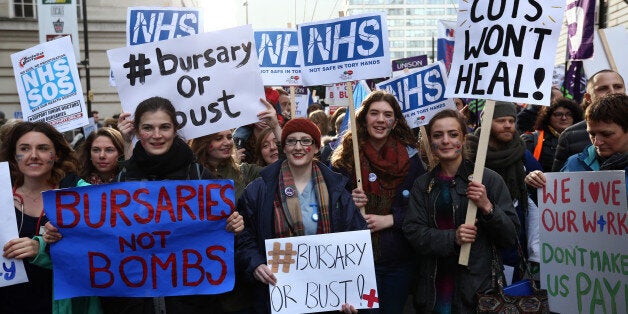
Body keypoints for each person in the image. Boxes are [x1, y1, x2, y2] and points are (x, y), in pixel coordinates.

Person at [97, 96, 244, 314]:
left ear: (175, 130)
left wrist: (234, 225)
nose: (157, 135)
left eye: (164, 127)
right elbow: (104, 235)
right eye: (148, 128)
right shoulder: (124, 179)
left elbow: (221, 232)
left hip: (191, 300)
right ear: (137, 132)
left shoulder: (197, 176)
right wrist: (66, 232)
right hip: (138, 300)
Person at [235, 118, 367, 314]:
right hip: (277, 296)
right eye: (291, 141)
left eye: (305, 141)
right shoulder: (259, 189)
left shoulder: (337, 191)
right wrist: (255, 263)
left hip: (326, 299)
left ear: (315, 148)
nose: (298, 147)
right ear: (284, 147)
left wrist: (351, 294)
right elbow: (242, 234)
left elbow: (356, 238)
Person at [403, 109, 519, 313]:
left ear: (464, 138)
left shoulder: (489, 180)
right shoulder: (423, 185)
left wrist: (487, 207)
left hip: (477, 290)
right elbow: (413, 232)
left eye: (453, 134)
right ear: (431, 142)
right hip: (433, 291)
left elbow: (511, 238)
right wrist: (452, 238)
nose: (446, 140)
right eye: (438, 135)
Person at [330, 90, 427, 313]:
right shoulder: (345, 159)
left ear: (395, 122)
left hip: (398, 262)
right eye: (374, 113)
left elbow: (423, 208)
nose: (381, 119)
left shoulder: (412, 160)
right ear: (364, 118)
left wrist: (391, 220)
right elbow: (330, 209)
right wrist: (348, 201)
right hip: (357, 261)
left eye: (387, 114)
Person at [0, 121, 101, 314]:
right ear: (14, 156)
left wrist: (42, 248)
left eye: (43, 148)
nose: (34, 155)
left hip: (65, 305)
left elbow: (100, 249)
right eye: (24, 148)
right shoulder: (1, 194)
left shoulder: (80, 194)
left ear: (56, 155)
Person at [465, 101, 542, 281]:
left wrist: (536, 176)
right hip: (477, 236)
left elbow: (541, 185)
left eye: (511, 120)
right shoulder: (470, 150)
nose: (508, 125)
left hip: (512, 238)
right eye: (500, 120)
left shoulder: (520, 151)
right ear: (486, 122)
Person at [527, 93, 628, 192]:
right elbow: (554, 201)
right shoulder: (573, 164)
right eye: (592, 134)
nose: (597, 142)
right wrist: (537, 183)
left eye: (606, 134)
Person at [552, 70, 625, 171]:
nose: (612, 92)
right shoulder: (570, 137)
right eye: (603, 89)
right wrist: (539, 179)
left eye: (618, 87)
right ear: (588, 97)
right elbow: (560, 181)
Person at [521, 99, 583, 172]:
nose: (564, 118)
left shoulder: (585, 138)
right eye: (558, 114)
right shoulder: (530, 139)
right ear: (548, 117)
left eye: (569, 114)